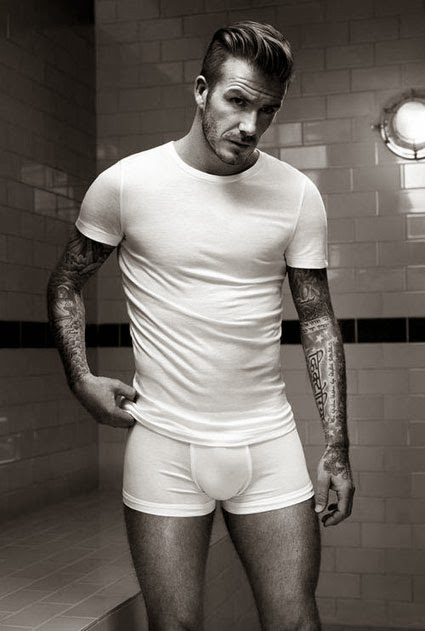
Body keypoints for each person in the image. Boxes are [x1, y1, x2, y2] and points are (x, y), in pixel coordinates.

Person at [47, 20, 355, 631]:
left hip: (267, 441)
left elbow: (317, 318)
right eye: (237, 100)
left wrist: (337, 447)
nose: (250, 125)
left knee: (296, 623)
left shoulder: (296, 194)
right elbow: (65, 283)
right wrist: (80, 377)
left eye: (267, 110)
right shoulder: (126, 184)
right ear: (200, 90)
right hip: (163, 443)